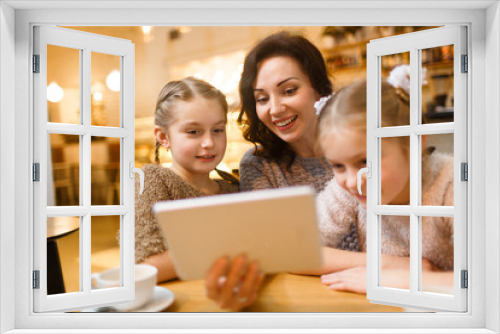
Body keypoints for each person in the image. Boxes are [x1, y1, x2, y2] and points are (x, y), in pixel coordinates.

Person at [313, 67, 454, 293]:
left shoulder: (452, 186)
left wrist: (395, 279)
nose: (351, 181)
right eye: (338, 166)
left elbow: (486, 282)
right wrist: (387, 265)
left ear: (413, 144)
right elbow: (294, 251)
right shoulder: (352, 189)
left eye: (365, 161)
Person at [134, 77, 264, 310]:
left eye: (217, 130)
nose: (208, 143)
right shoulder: (154, 181)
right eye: (193, 131)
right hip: (181, 308)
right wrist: (230, 248)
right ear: (164, 137)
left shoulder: (234, 189)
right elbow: (145, 266)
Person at [237, 31, 360, 252]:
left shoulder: (360, 147)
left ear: (318, 88)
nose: (275, 109)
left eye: (289, 91)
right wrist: (381, 266)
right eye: (262, 99)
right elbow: (284, 250)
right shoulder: (259, 165)